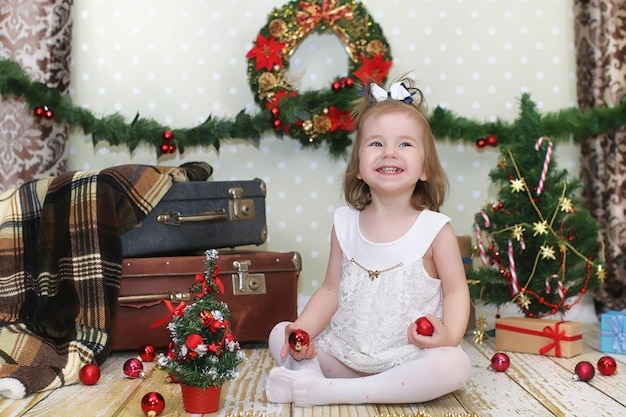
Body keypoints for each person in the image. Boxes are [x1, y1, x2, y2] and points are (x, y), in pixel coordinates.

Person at [266, 76, 472, 406]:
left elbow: (455, 290)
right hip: (344, 356)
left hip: (407, 360)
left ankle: (321, 389)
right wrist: (301, 331)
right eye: (376, 144)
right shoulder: (345, 224)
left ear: (425, 169)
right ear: (359, 168)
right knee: (279, 332)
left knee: (455, 364)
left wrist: (450, 335)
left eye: (405, 144)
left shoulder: (434, 229)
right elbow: (331, 290)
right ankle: (312, 376)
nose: (389, 152)